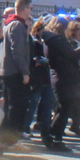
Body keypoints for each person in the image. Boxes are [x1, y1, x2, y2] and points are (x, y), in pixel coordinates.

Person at [41, 16, 80, 151]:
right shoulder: (57, 40)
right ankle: (55, 138)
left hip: (60, 77)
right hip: (64, 78)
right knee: (65, 109)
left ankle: (52, 135)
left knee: (62, 109)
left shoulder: (50, 40)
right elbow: (73, 56)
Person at [0, 0, 32, 146]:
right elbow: (17, 51)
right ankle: (9, 139)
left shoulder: (10, 23)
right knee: (15, 106)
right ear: (23, 9)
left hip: (7, 70)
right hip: (14, 71)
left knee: (10, 106)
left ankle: (5, 137)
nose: (31, 11)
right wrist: (25, 72)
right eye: (30, 8)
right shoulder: (17, 25)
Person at [23, 18, 55, 148]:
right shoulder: (33, 41)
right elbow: (30, 58)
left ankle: (45, 130)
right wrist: (39, 60)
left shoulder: (47, 42)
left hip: (47, 78)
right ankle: (25, 128)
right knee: (33, 103)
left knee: (48, 103)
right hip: (37, 77)